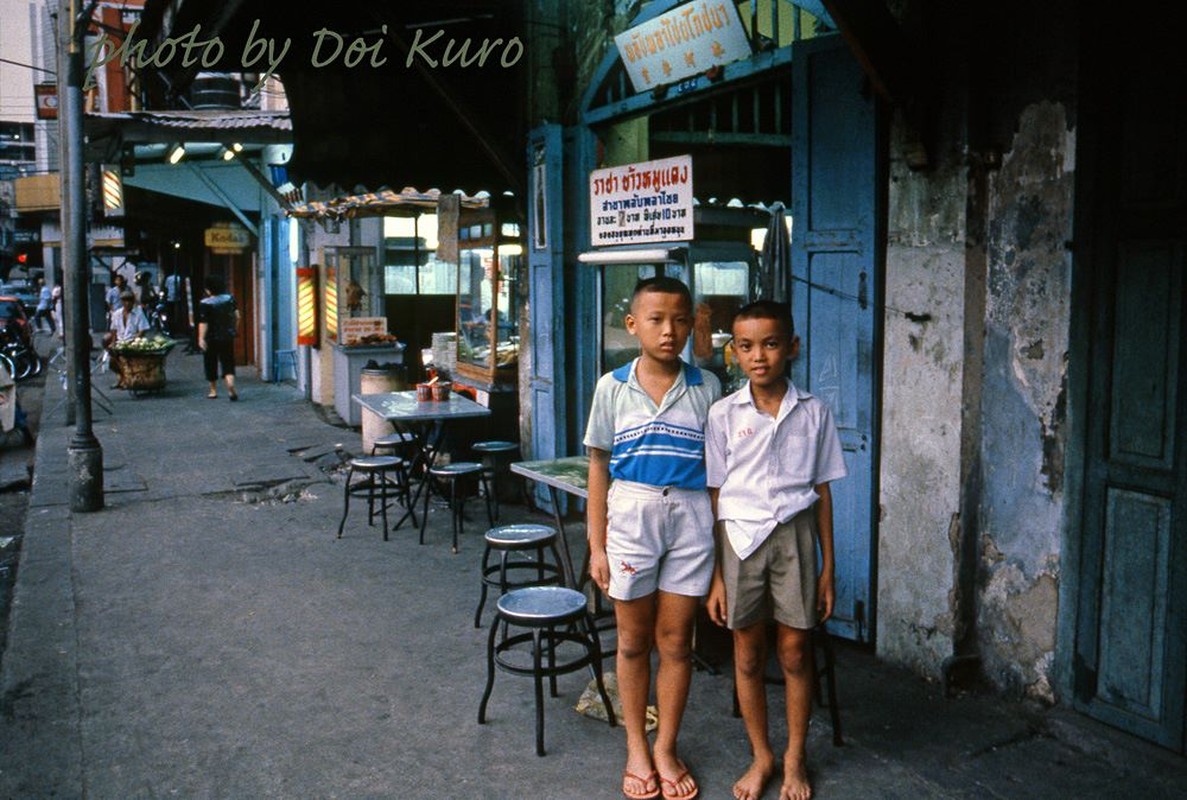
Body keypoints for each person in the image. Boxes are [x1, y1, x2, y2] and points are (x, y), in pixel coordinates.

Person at [584, 276, 721, 800]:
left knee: (676, 643)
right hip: (633, 512)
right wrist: (597, 545)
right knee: (633, 641)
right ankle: (636, 748)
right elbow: (598, 465)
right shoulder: (611, 387)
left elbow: (717, 473)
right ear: (632, 324)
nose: (669, 331)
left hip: (690, 516)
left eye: (680, 319)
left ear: (692, 323)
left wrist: (722, 556)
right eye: (657, 319)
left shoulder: (707, 387)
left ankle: (666, 745)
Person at [704, 300, 847, 800]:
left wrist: (828, 567)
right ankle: (761, 754)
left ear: (792, 347)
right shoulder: (723, 414)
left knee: (793, 649)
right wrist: (718, 575)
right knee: (747, 653)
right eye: (746, 346)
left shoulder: (814, 413)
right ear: (734, 353)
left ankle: (794, 757)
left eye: (770, 344)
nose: (758, 356)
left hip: (794, 537)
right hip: (740, 541)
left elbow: (823, 491)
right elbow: (717, 494)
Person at [197, 274, 239, 401]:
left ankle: (213, 390)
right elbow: (237, 316)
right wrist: (234, 329)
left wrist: (201, 338)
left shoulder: (205, 303)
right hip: (226, 336)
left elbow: (204, 323)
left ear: (208, 289)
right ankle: (230, 385)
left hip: (211, 337)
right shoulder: (230, 299)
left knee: (210, 362)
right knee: (228, 362)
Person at [106, 289, 151, 389]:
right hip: (120, 342)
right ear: (121, 302)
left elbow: (143, 329)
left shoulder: (138, 312)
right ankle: (122, 377)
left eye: (129, 300)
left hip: (133, 341)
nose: (127, 303)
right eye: (125, 300)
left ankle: (126, 380)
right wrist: (113, 342)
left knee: (127, 359)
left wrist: (136, 339)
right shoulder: (117, 313)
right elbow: (113, 329)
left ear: (133, 301)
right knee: (111, 362)